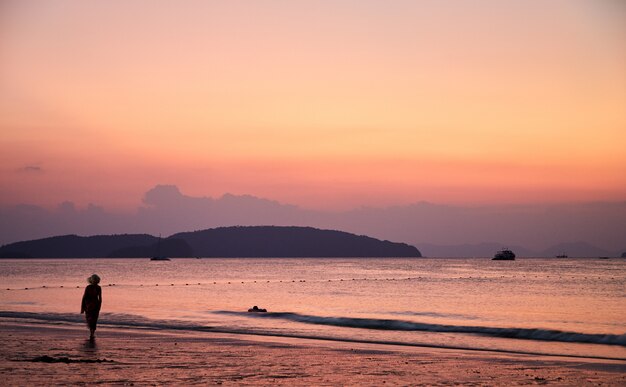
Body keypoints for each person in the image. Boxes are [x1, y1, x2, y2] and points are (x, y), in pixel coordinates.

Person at [81, 274, 102, 339]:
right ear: (92, 281)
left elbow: (100, 298)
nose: (95, 282)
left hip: (95, 306)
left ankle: (92, 333)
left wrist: (99, 307)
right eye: (94, 280)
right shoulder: (88, 287)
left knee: (94, 320)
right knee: (90, 320)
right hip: (89, 306)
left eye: (96, 280)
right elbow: (84, 297)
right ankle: (91, 332)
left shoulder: (98, 288)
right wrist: (82, 308)